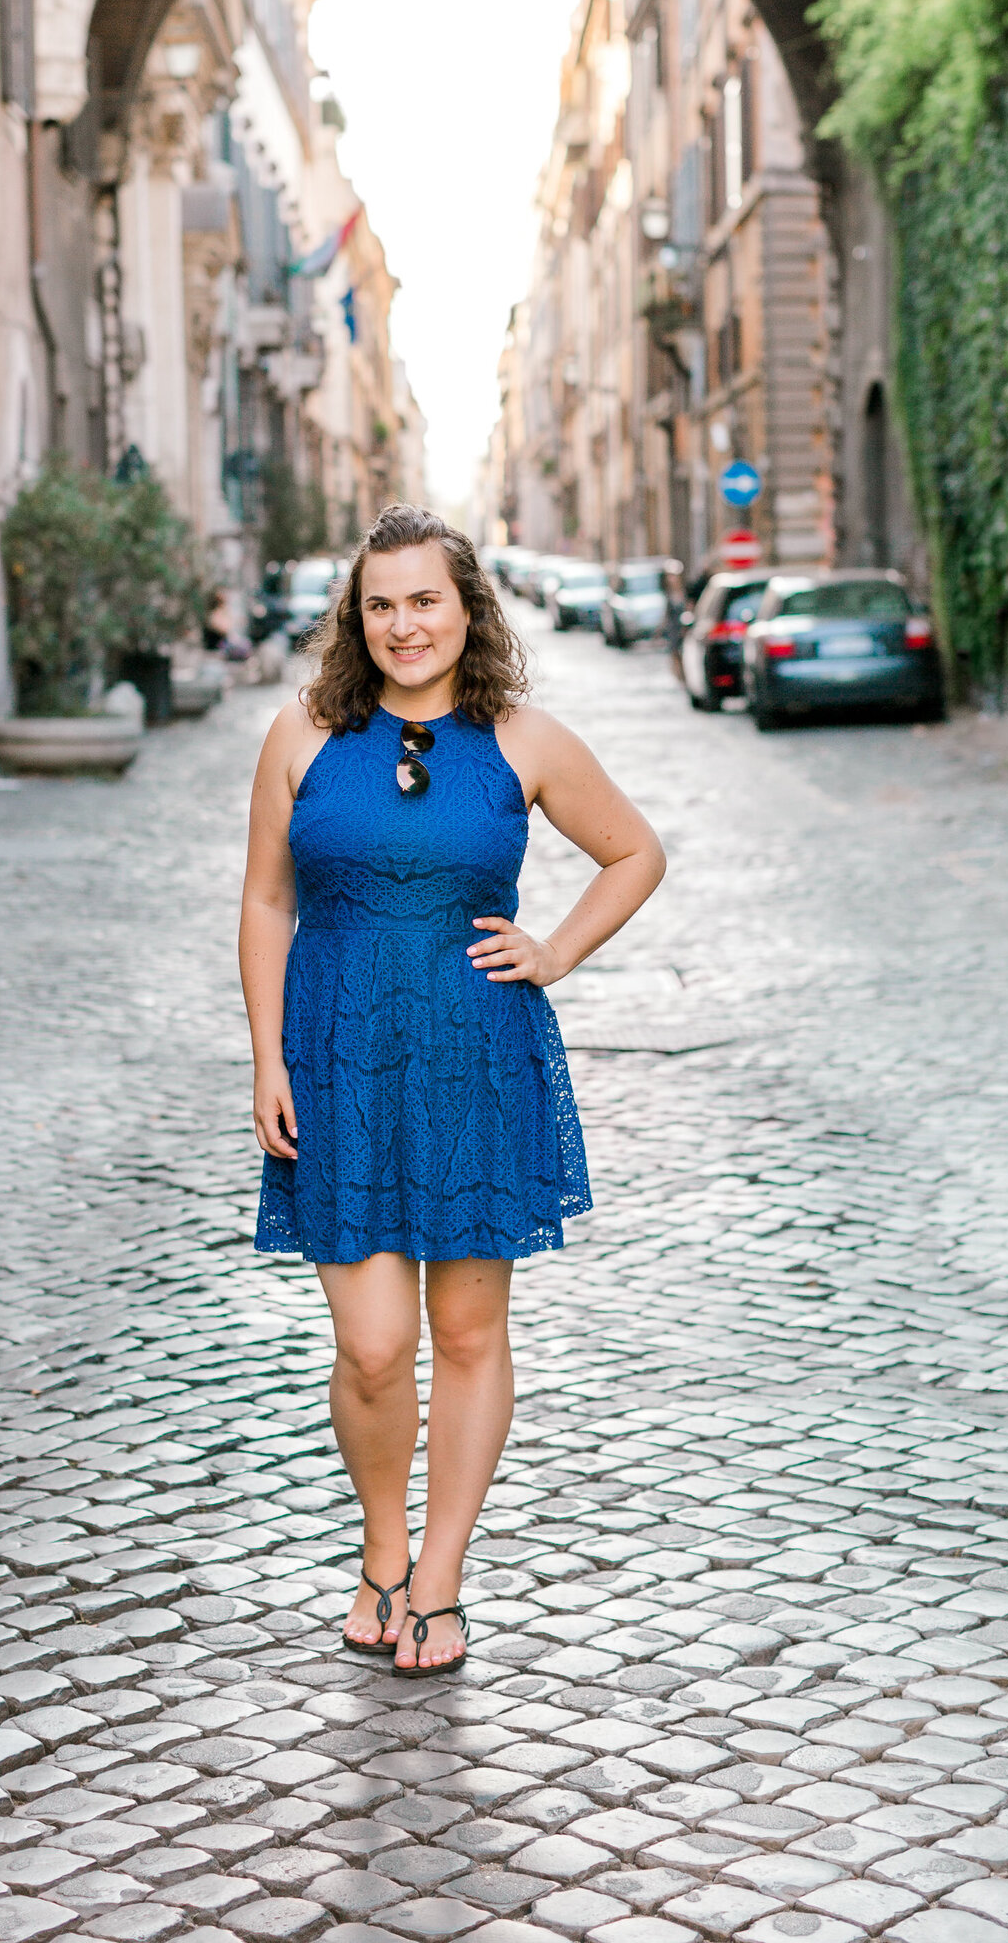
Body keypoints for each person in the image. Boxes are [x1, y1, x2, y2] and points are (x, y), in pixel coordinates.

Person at [238, 502, 666, 1675]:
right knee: (374, 1344)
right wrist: (269, 1057)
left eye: (424, 599)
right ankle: (381, 1552)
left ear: (466, 607)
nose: (402, 624)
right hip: (338, 1063)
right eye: (380, 604)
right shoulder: (303, 734)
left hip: (476, 1057)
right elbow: (268, 902)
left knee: (468, 1332)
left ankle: (439, 1577)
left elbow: (636, 853)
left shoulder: (524, 740)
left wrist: (555, 951)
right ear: (355, 617)